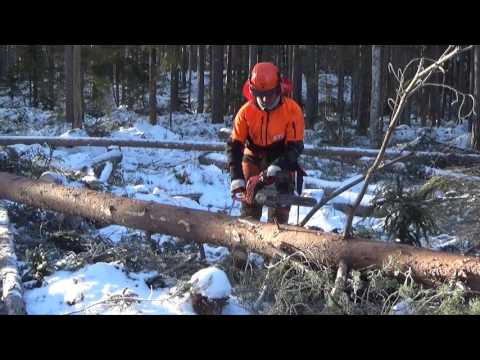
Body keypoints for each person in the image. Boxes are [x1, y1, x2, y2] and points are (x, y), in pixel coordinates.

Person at [226, 62, 305, 224]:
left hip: (282, 157)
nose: (264, 99)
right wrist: (236, 177)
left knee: (280, 208)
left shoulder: (292, 111)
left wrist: (277, 166)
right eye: (259, 93)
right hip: (253, 156)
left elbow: (295, 147)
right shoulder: (245, 112)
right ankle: (242, 244)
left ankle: (277, 236)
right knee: (249, 206)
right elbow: (234, 146)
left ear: (278, 89)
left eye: (268, 94)